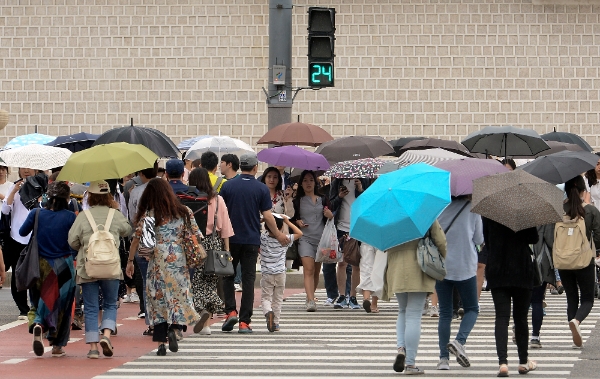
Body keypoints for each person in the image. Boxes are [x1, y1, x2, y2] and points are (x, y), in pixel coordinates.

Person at [126, 178, 205, 355]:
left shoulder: (149, 216)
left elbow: (137, 241)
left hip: (157, 260)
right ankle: (176, 328)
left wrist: (130, 261)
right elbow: (197, 236)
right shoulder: (184, 212)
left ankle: (161, 342)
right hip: (178, 259)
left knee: (157, 298)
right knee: (178, 295)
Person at [219, 152, 290, 333]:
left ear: (241, 166)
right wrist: (279, 234)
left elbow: (221, 213)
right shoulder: (261, 189)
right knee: (248, 280)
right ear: (256, 168)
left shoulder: (227, 187)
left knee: (227, 275)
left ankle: (230, 312)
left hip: (230, 239)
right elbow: (267, 215)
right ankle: (244, 322)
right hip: (251, 239)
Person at [68, 180, 132, 359]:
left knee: (90, 307)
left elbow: (72, 242)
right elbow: (127, 230)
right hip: (111, 266)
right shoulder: (116, 214)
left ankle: (93, 348)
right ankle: (106, 335)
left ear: (90, 196)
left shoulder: (83, 216)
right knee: (110, 303)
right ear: (109, 196)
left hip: (88, 267)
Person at [19, 182, 77, 357]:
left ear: (48, 197)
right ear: (67, 199)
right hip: (63, 267)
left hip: (39, 265)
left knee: (38, 300)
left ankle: (38, 324)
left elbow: (22, 232)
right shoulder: (69, 217)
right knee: (63, 306)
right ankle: (57, 345)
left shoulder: (36, 214)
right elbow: (75, 242)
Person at [383, 220, 447, 374]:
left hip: (396, 265)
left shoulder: (389, 216)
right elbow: (441, 241)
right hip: (419, 264)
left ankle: (401, 348)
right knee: (414, 314)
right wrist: (439, 259)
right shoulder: (424, 212)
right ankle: (410, 363)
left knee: (403, 311)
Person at [483, 217, 539, 376]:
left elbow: (487, 239)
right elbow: (533, 238)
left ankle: (503, 363)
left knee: (501, 317)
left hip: (497, 268)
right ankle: (523, 362)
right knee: (520, 318)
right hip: (521, 269)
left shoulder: (490, 212)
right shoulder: (524, 211)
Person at [435, 196, 483, 370]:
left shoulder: (439, 207)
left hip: (442, 265)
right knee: (472, 309)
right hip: (465, 266)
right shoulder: (473, 208)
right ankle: (459, 341)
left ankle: (443, 359)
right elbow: (478, 239)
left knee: (445, 313)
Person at [188, 168, 234, 335]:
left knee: (196, 283)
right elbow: (226, 227)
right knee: (210, 283)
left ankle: (202, 312)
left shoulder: (189, 199)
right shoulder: (217, 199)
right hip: (214, 243)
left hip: (194, 244)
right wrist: (227, 251)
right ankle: (207, 323)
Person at [559, 175, 600, 348]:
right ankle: (576, 320)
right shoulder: (590, 211)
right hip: (584, 259)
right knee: (588, 299)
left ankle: (573, 322)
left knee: (571, 298)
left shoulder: (558, 210)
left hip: (563, 260)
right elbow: (598, 236)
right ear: (584, 191)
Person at [1, 167, 41, 318]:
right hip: (16, 237)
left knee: (36, 273)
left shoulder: (41, 187)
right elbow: (5, 210)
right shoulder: (15, 186)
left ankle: (36, 306)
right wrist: (13, 191)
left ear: (35, 170)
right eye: (23, 168)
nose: (26, 171)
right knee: (19, 273)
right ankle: (23, 308)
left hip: (36, 237)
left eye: (29, 168)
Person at [291, 170, 334, 312]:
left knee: (316, 270)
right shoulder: (297, 201)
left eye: (311, 180)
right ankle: (310, 300)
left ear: (315, 182)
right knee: (308, 269)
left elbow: (331, 216)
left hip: (321, 239)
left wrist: (330, 215)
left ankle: (311, 295)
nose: (308, 183)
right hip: (305, 238)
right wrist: (297, 222)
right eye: (305, 180)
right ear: (301, 183)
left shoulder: (323, 198)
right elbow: (291, 218)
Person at [328, 178, 369, 309]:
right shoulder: (337, 182)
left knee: (356, 263)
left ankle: (353, 296)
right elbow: (331, 204)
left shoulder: (365, 180)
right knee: (342, 263)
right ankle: (342, 295)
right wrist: (339, 196)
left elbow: (369, 202)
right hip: (341, 227)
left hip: (359, 226)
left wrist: (360, 190)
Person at [128, 162, 159, 328]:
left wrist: (130, 259)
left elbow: (133, 218)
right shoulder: (165, 189)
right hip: (164, 243)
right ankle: (166, 320)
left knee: (147, 282)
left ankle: (151, 321)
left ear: (141, 172)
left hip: (144, 240)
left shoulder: (137, 192)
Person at [260, 214, 302, 332]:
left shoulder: (263, 238)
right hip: (280, 273)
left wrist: (263, 220)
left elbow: (254, 229)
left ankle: (268, 312)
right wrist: (287, 222)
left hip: (267, 273)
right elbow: (300, 233)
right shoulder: (285, 239)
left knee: (266, 298)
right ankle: (276, 323)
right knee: (278, 299)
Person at [530, 223, 557, 349]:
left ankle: (517, 328)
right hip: (539, 264)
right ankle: (535, 336)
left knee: (521, 301)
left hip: (518, 263)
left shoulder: (514, 215)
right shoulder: (544, 215)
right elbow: (550, 240)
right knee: (537, 300)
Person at [355, 242, 384, 313]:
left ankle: (366, 298)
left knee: (366, 271)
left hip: (366, 240)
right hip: (381, 241)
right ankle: (374, 304)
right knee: (379, 272)